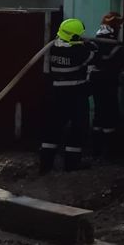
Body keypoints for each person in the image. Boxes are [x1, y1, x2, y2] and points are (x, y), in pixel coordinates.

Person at [39, 18, 97, 173]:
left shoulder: (53, 48)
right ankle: (72, 165)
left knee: (52, 128)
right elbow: (94, 56)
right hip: (75, 95)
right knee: (78, 128)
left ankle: (45, 165)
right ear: (75, 36)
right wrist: (90, 45)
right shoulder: (79, 52)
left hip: (56, 94)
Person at [89, 12, 124, 159]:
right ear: (115, 27)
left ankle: (96, 151)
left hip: (95, 82)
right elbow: (122, 60)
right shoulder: (115, 46)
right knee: (110, 115)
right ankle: (111, 153)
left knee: (99, 114)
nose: (120, 28)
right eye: (119, 26)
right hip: (108, 83)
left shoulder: (94, 42)